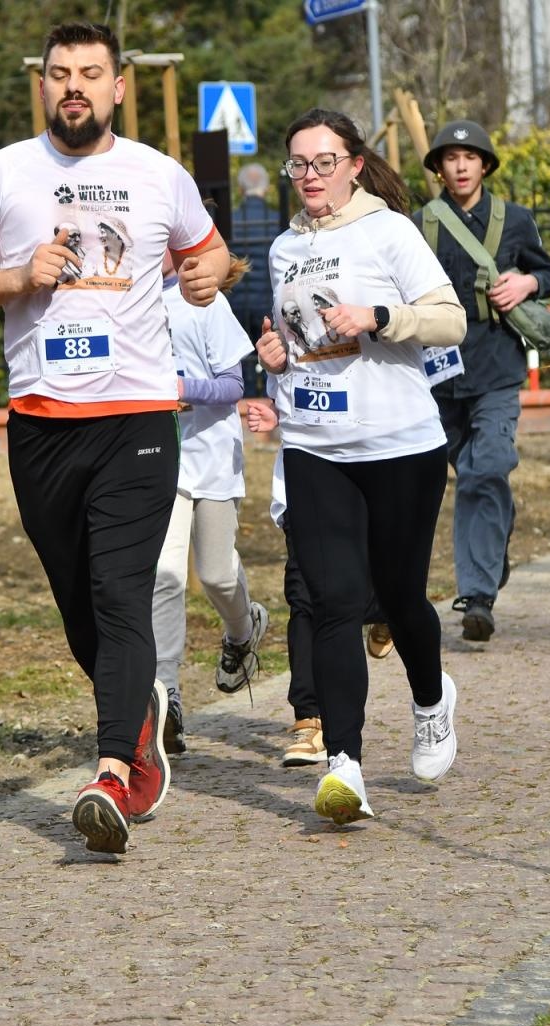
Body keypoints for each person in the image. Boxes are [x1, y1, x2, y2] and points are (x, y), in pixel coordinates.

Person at [0, 21, 230, 854]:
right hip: (41, 426)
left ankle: (112, 772)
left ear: (118, 86)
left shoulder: (158, 173)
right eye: (60, 73)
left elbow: (210, 259)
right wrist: (17, 277)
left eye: (90, 73)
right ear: (43, 86)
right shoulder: (3, 172)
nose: (75, 86)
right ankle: (142, 714)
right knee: (80, 614)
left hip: (136, 416)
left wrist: (212, 274)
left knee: (118, 591)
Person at [252, 107, 466, 824]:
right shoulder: (284, 249)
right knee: (335, 602)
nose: (309, 177)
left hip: (400, 444)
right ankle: (344, 764)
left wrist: (379, 315)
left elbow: (449, 318)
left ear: (352, 164)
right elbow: (295, 343)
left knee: (401, 598)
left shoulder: (390, 232)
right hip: (316, 447)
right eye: (298, 165)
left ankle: (432, 702)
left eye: (323, 162)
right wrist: (277, 360)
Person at [414, 120, 550, 643]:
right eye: (450, 158)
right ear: (438, 167)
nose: (460, 166)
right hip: (440, 371)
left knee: (487, 467)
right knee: (476, 476)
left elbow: (549, 275)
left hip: (498, 365)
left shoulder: (516, 220)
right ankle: (492, 546)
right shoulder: (421, 224)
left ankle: (477, 596)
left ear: (485, 165)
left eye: (469, 157)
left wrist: (526, 281)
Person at [152, 254, 268, 754]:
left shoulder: (204, 300)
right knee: (165, 575)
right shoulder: (128, 304)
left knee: (218, 574)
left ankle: (244, 629)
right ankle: (167, 697)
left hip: (215, 458)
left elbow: (234, 386)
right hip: (161, 459)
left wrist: (182, 390)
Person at [243, 401, 396, 770]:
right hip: (307, 471)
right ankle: (309, 719)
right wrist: (279, 413)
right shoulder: (279, 340)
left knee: (371, 573)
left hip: (377, 462)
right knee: (305, 596)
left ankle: (385, 606)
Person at [229, 162, 284, 395]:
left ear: (241, 189)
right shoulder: (278, 221)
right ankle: (268, 398)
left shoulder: (228, 222)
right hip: (266, 302)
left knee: (244, 358)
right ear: (268, 187)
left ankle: (248, 397)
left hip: (237, 303)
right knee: (273, 354)